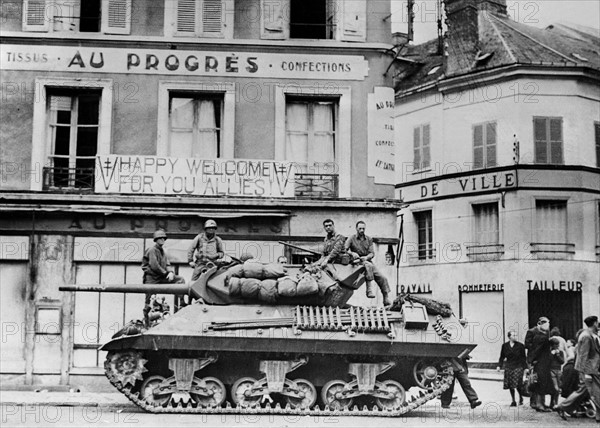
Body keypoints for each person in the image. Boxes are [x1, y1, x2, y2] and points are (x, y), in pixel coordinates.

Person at [141, 230, 185, 322]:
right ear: (156, 239)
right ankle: (146, 321)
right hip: (151, 278)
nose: (162, 240)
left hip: (161, 277)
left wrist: (171, 273)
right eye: (160, 238)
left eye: (163, 238)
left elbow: (167, 264)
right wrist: (166, 273)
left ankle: (182, 303)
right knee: (149, 302)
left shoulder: (163, 252)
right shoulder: (152, 250)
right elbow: (154, 266)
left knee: (180, 280)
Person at [344, 221, 391, 306]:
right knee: (368, 265)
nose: (362, 230)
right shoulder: (351, 238)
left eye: (363, 228)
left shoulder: (369, 239)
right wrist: (352, 253)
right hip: (355, 262)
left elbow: (372, 253)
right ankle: (369, 289)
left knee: (382, 277)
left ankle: (386, 297)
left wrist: (366, 257)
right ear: (356, 229)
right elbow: (345, 249)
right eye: (360, 228)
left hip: (366, 260)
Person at [573, 316, 600, 422]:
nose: (598, 324)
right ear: (594, 323)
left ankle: (564, 407)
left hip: (594, 368)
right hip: (589, 370)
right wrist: (586, 372)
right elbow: (584, 355)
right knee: (596, 392)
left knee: (590, 391)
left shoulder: (592, 335)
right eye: (597, 322)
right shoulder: (586, 336)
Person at [524, 316, 554, 411]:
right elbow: (535, 349)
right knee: (538, 382)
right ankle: (538, 404)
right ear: (540, 323)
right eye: (546, 323)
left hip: (539, 361)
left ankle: (540, 404)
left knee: (538, 382)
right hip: (541, 362)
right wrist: (531, 361)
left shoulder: (544, 334)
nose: (548, 326)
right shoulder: (538, 335)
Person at [497, 331, 527, 406]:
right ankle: (513, 400)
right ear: (509, 337)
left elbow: (523, 358)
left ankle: (520, 397)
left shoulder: (520, 346)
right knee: (510, 384)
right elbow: (502, 356)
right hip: (509, 366)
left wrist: (525, 368)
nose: (515, 336)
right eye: (514, 335)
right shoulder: (505, 346)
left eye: (516, 335)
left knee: (518, 384)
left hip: (518, 366)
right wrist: (499, 365)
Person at [549, 336, 565, 408]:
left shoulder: (560, 352)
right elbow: (548, 361)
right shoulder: (549, 353)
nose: (557, 346)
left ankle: (554, 403)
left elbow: (562, 361)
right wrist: (552, 354)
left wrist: (558, 354)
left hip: (558, 370)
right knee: (555, 388)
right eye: (555, 345)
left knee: (558, 388)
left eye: (558, 345)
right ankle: (554, 403)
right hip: (551, 370)